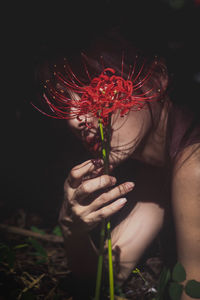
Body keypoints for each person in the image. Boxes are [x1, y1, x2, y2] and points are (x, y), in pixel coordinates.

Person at [38, 29, 200, 300]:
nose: (75, 119)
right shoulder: (159, 166)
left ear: (158, 79)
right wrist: (72, 230)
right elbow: (104, 280)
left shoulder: (193, 167)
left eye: (91, 90)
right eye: (67, 100)